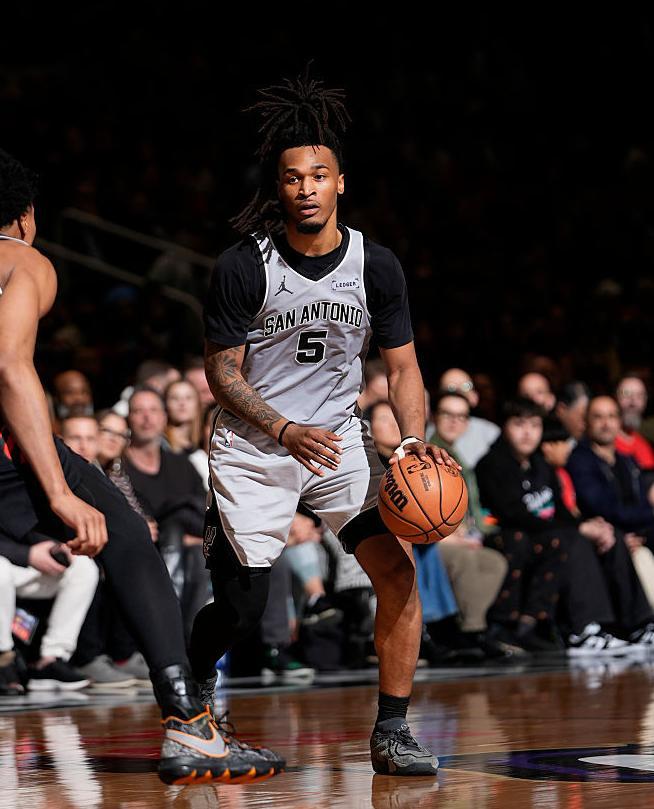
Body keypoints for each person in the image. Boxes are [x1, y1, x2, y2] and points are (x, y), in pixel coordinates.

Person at [188, 71, 459, 777]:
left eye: (318, 176)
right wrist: (283, 431)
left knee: (397, 574)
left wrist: (411, 441)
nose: (305, 188)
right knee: (242, 609)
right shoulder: (244, 266)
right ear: (278, 188)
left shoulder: (377, 266)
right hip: (256, 447)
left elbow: (403, 367)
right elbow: (222, 373)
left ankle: (392, 731)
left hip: (339, 442)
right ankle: (193, 694)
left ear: (340, 182)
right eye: (292, 178)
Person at [0, 148, 282, 783]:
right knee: (125, 533)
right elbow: (10, 366)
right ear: (24, 215)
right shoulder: (22, 259)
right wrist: (59, 492)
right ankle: (189, 723)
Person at [438, 368, 500, 468]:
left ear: (475, 395)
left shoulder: (490, 433)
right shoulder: (424, 434)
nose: (459, 392)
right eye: (451, 388)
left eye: (466, 386)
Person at [615, 376, 654, 472]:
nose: (633, 402)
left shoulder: (646, 445)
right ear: (615, 398)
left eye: (639, 396)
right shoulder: (604, 442)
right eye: (626, 394)